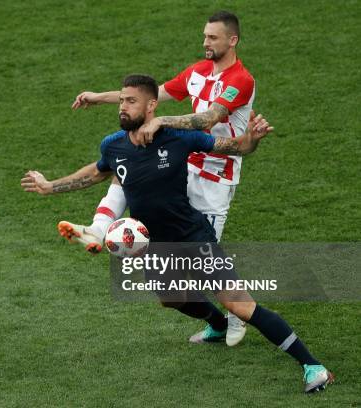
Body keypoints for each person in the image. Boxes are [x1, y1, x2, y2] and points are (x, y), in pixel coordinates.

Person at [21, 74, 333, 393]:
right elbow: (95, 173)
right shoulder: (113, 145)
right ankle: (217, 324)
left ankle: (313, 366)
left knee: (241, 305)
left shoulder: (179, 138)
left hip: (193, 238)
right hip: (155, 245)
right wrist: (50, 186)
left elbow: (234, 148)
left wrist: (252, 140)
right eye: (122, 101)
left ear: (151, 105)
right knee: (171, 298)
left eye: (131, 101)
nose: (123, 108)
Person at [62, 10, 254, 346]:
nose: (205, 42)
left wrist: (163, 122)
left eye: (213, 37)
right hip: (185, 166)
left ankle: (239, 314)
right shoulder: (197, 72)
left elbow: (209, 117)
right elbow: (153, 96)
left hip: (215, 178)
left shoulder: (241, 80)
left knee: (205, 262)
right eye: (205, 36)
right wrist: (100, 97)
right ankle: (99, 225)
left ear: (232, 40)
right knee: (129, 171)